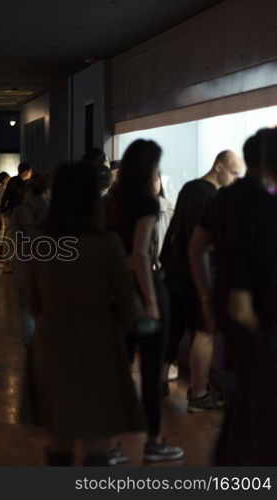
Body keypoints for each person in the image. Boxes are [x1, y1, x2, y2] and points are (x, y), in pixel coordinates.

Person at [23, 163, 144, 466]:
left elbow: (33, 302)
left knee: (60, 433)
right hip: (99, 342)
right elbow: (129, 305)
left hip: (51, 341)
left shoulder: (42, 244)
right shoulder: (106, 244)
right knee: (97, 437)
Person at [107, 139, 184, 463]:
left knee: (118, 370)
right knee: (151, 372)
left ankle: (108, 444)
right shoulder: (147, 204)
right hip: (146, 286)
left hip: (116, 289)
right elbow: (140, 254)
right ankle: (153, 440)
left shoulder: (112, 200)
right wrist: (151, 300)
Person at [160, 150, 242, 411]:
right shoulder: (213, 199)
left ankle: (158, 385)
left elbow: (174, 230)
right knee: (204, 332)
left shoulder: (188, 189)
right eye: (233, 172)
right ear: (219, 167)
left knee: (173, 331)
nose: (236, 179)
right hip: (199, 275)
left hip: (176, 273)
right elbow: (208, 244)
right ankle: (198, 393)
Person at [214, 127, 277, 465]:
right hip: (261, 337)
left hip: (242, 331)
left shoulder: (228, 199)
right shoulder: (262, 210)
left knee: (240, 419)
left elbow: (199, 249)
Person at [9, 172, 49, 345]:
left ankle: (29, 344)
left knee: (25, 307)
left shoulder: (18, 212)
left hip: (24, 262)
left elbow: (15, 239)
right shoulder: (53, 210)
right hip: (48, 264)